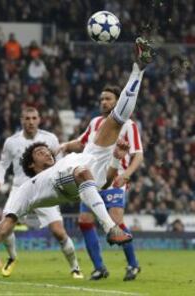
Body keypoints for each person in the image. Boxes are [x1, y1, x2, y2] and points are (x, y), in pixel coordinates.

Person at [0, 37, 155, 275]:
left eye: (46, 149)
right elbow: (6, 223)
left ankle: (138, 69)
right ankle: (110, 228)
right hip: (62, 182)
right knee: (82, 173)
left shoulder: (67, 159)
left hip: (88, 161)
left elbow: (104, 181)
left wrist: (116, 158)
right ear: (33, 166)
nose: (46, 151)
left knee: (116, 120)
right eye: (40, 152)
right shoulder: (30, 186)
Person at [60, 85, 143, 281]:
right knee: (85, 221)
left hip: (115, 179)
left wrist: (128, 174)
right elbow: (81, 142)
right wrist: (63, 146)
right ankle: (99, 268)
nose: (103, 102)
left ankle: (133, 265)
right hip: (91, 180)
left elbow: (138, 155)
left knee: (115, 221)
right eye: (101, 99)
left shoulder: (128, 124)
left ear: (118, 102)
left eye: (108, 99)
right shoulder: (95, 122)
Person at [0, 107, 83, 278]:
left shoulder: (50, 138)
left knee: (58, 232)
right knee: (5, 227)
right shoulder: (11, 142)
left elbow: (60, 162)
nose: (31, 121)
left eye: (34, 118)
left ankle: (75, 267)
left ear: (39, 119)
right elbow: (2, 164)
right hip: (20, 189)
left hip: (44, 187)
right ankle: (12, 258)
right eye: (27, 118)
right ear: (21, 120)